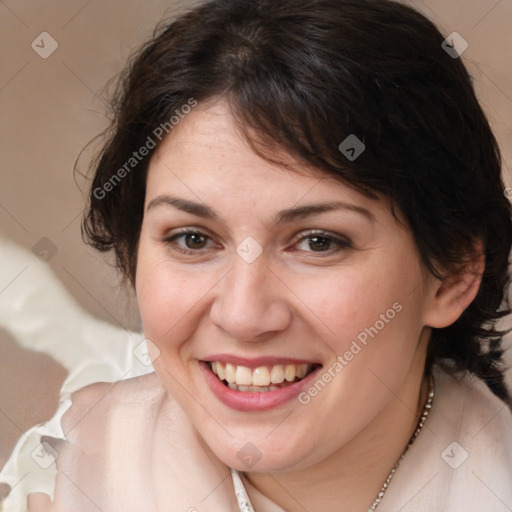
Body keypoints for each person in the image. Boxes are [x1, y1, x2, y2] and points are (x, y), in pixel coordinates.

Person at [11, 0, 512, 510]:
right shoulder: (51, 487)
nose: (243, 315)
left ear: (451, 275)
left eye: (318, 241)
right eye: (193, 239)